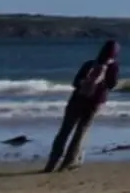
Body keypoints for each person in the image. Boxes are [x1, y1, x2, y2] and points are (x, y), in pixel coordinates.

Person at [44, 40, 120, 173]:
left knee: (64, 131)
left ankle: (52, 163)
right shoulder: (113, 67)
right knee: (80, 133)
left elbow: (75, 83)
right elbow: (111, 84)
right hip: (93, 103)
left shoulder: (89, 64)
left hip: (76, 99)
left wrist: (85, 85)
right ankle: (68, 163)